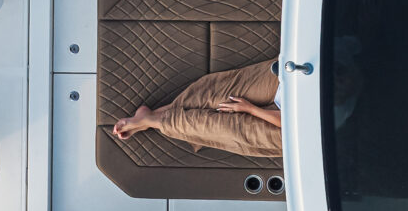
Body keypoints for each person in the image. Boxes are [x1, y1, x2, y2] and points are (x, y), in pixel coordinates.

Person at [111, 59, 284, 158]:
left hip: (286, 128)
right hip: (285, 81)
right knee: (219, 94)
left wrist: (250, 109)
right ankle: (152, 118)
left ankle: (153, 120)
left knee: (223, 128)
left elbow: (292, 123)